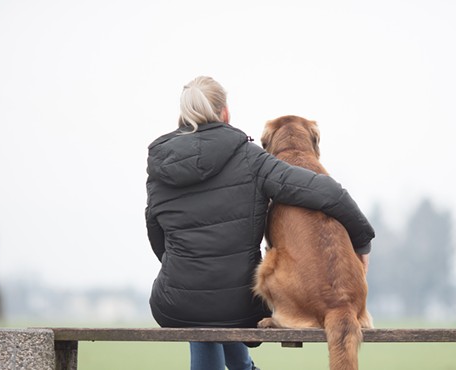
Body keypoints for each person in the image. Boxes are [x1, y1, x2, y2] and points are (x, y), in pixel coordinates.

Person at [145, 76, 375, 370]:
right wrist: (362, 239)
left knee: (201, 306)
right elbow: (326, 191)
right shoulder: (250, 158)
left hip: (173, 302)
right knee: (220, 303)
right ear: (225, 113)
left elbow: (156, 234)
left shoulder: (159, 164)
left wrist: (185, 268)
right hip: (238, 302)